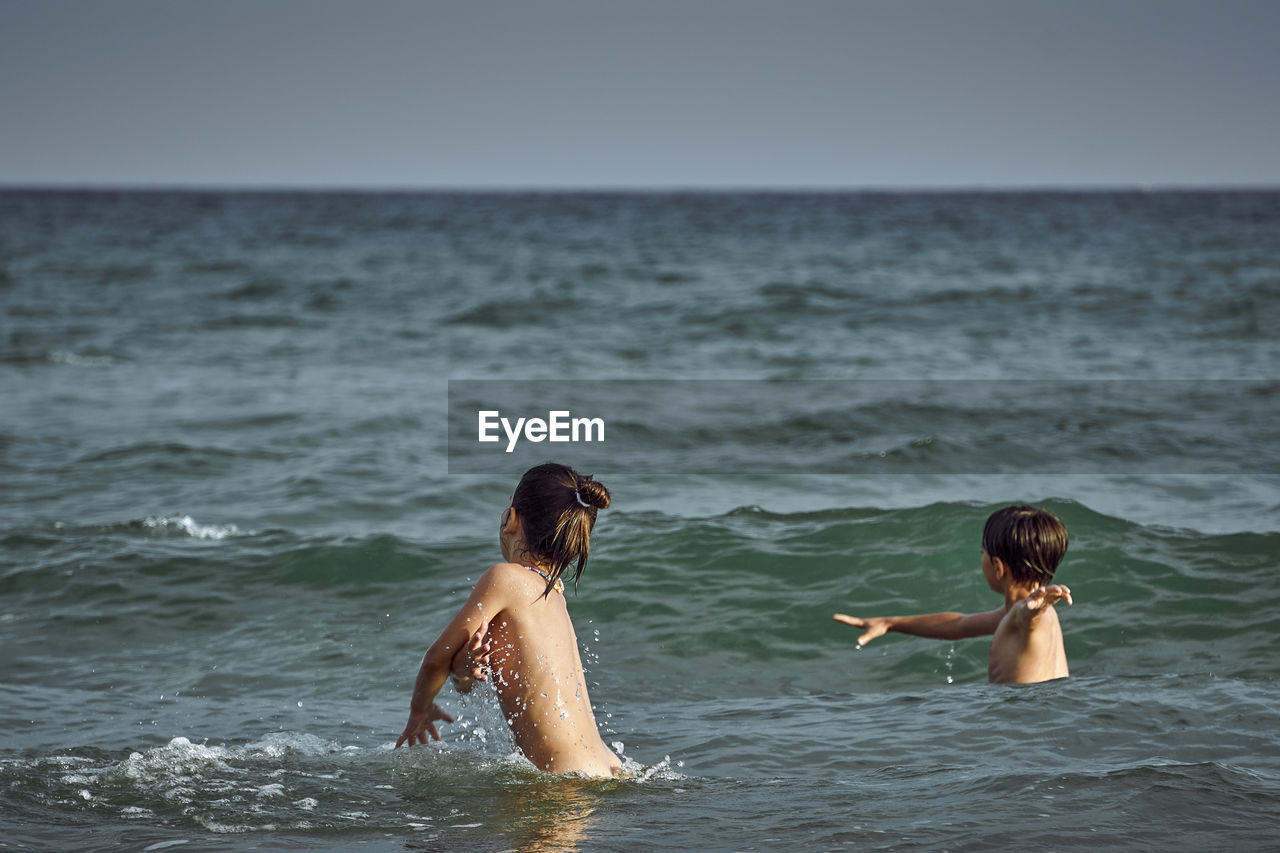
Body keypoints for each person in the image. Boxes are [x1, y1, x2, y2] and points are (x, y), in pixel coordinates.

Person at [395, 462, 622, 777]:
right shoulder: (553, 592)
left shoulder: (505, 578)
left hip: (564, 774)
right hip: (606, 766)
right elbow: (466, 671)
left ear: (511, 519)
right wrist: (465, 669)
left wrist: (420, 709)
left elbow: (436, 658)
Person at [833, 505, 1073, 684]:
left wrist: (1036, 607)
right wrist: (889, 623)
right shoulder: (1013, 614)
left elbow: (1029, 619)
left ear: (998, 566)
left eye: (983, 554)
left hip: (1025, 727)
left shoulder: (1026, 614)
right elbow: (958, 625)